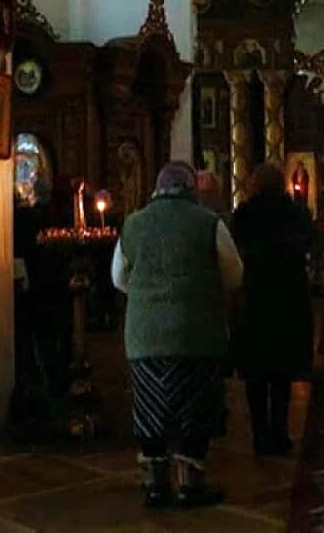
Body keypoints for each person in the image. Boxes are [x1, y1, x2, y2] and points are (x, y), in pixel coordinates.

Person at [110, 161, 244, 509]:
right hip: (197, 332)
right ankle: (190, 485)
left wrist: (146, 293)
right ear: (191, 188)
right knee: (195, 409)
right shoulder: (208, 223)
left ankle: (155, 485)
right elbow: (234, 275)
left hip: (145, 335)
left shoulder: (134, 223)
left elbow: (118, 278)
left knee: (149, 409)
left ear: (156, 188)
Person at [230, 164, 315, 457]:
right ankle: (280, 433)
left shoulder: (244, 214)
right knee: (281, 373)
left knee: (256, 374)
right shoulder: (296, 212)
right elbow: (311, 243)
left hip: (254, 297)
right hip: (288, 296)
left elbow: (235, 250)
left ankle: (259, 435)